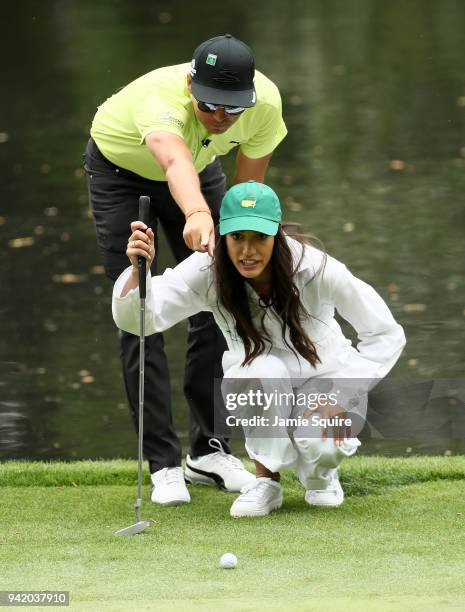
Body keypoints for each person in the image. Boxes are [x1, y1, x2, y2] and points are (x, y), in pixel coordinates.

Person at [112, 180, 406, 517]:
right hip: (259, 378)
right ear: (223, 235)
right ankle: (267, 480)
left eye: (259, 238)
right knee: (258, 375)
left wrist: (340, 395)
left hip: (327, 380)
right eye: (237, 237)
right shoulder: (207, 269)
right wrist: (140, 271)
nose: (247, 251)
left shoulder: (316, 268)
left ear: (277, 236)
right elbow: (142, 320)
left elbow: (385, 333)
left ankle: (322, 475)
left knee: (321, 436)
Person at [83, 34, 287, 505]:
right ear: (191, 84)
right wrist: (197, 215)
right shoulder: (161, 101)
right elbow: (173, 161)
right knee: (139, 312)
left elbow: (246, 189)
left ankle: (208, 452)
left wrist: (233, 235)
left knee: (225, 294)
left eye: (232, 109)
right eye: (210, 105)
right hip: (122, 175)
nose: (221, 118)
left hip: (200, 172)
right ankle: (162, 465)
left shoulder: (266, 107)